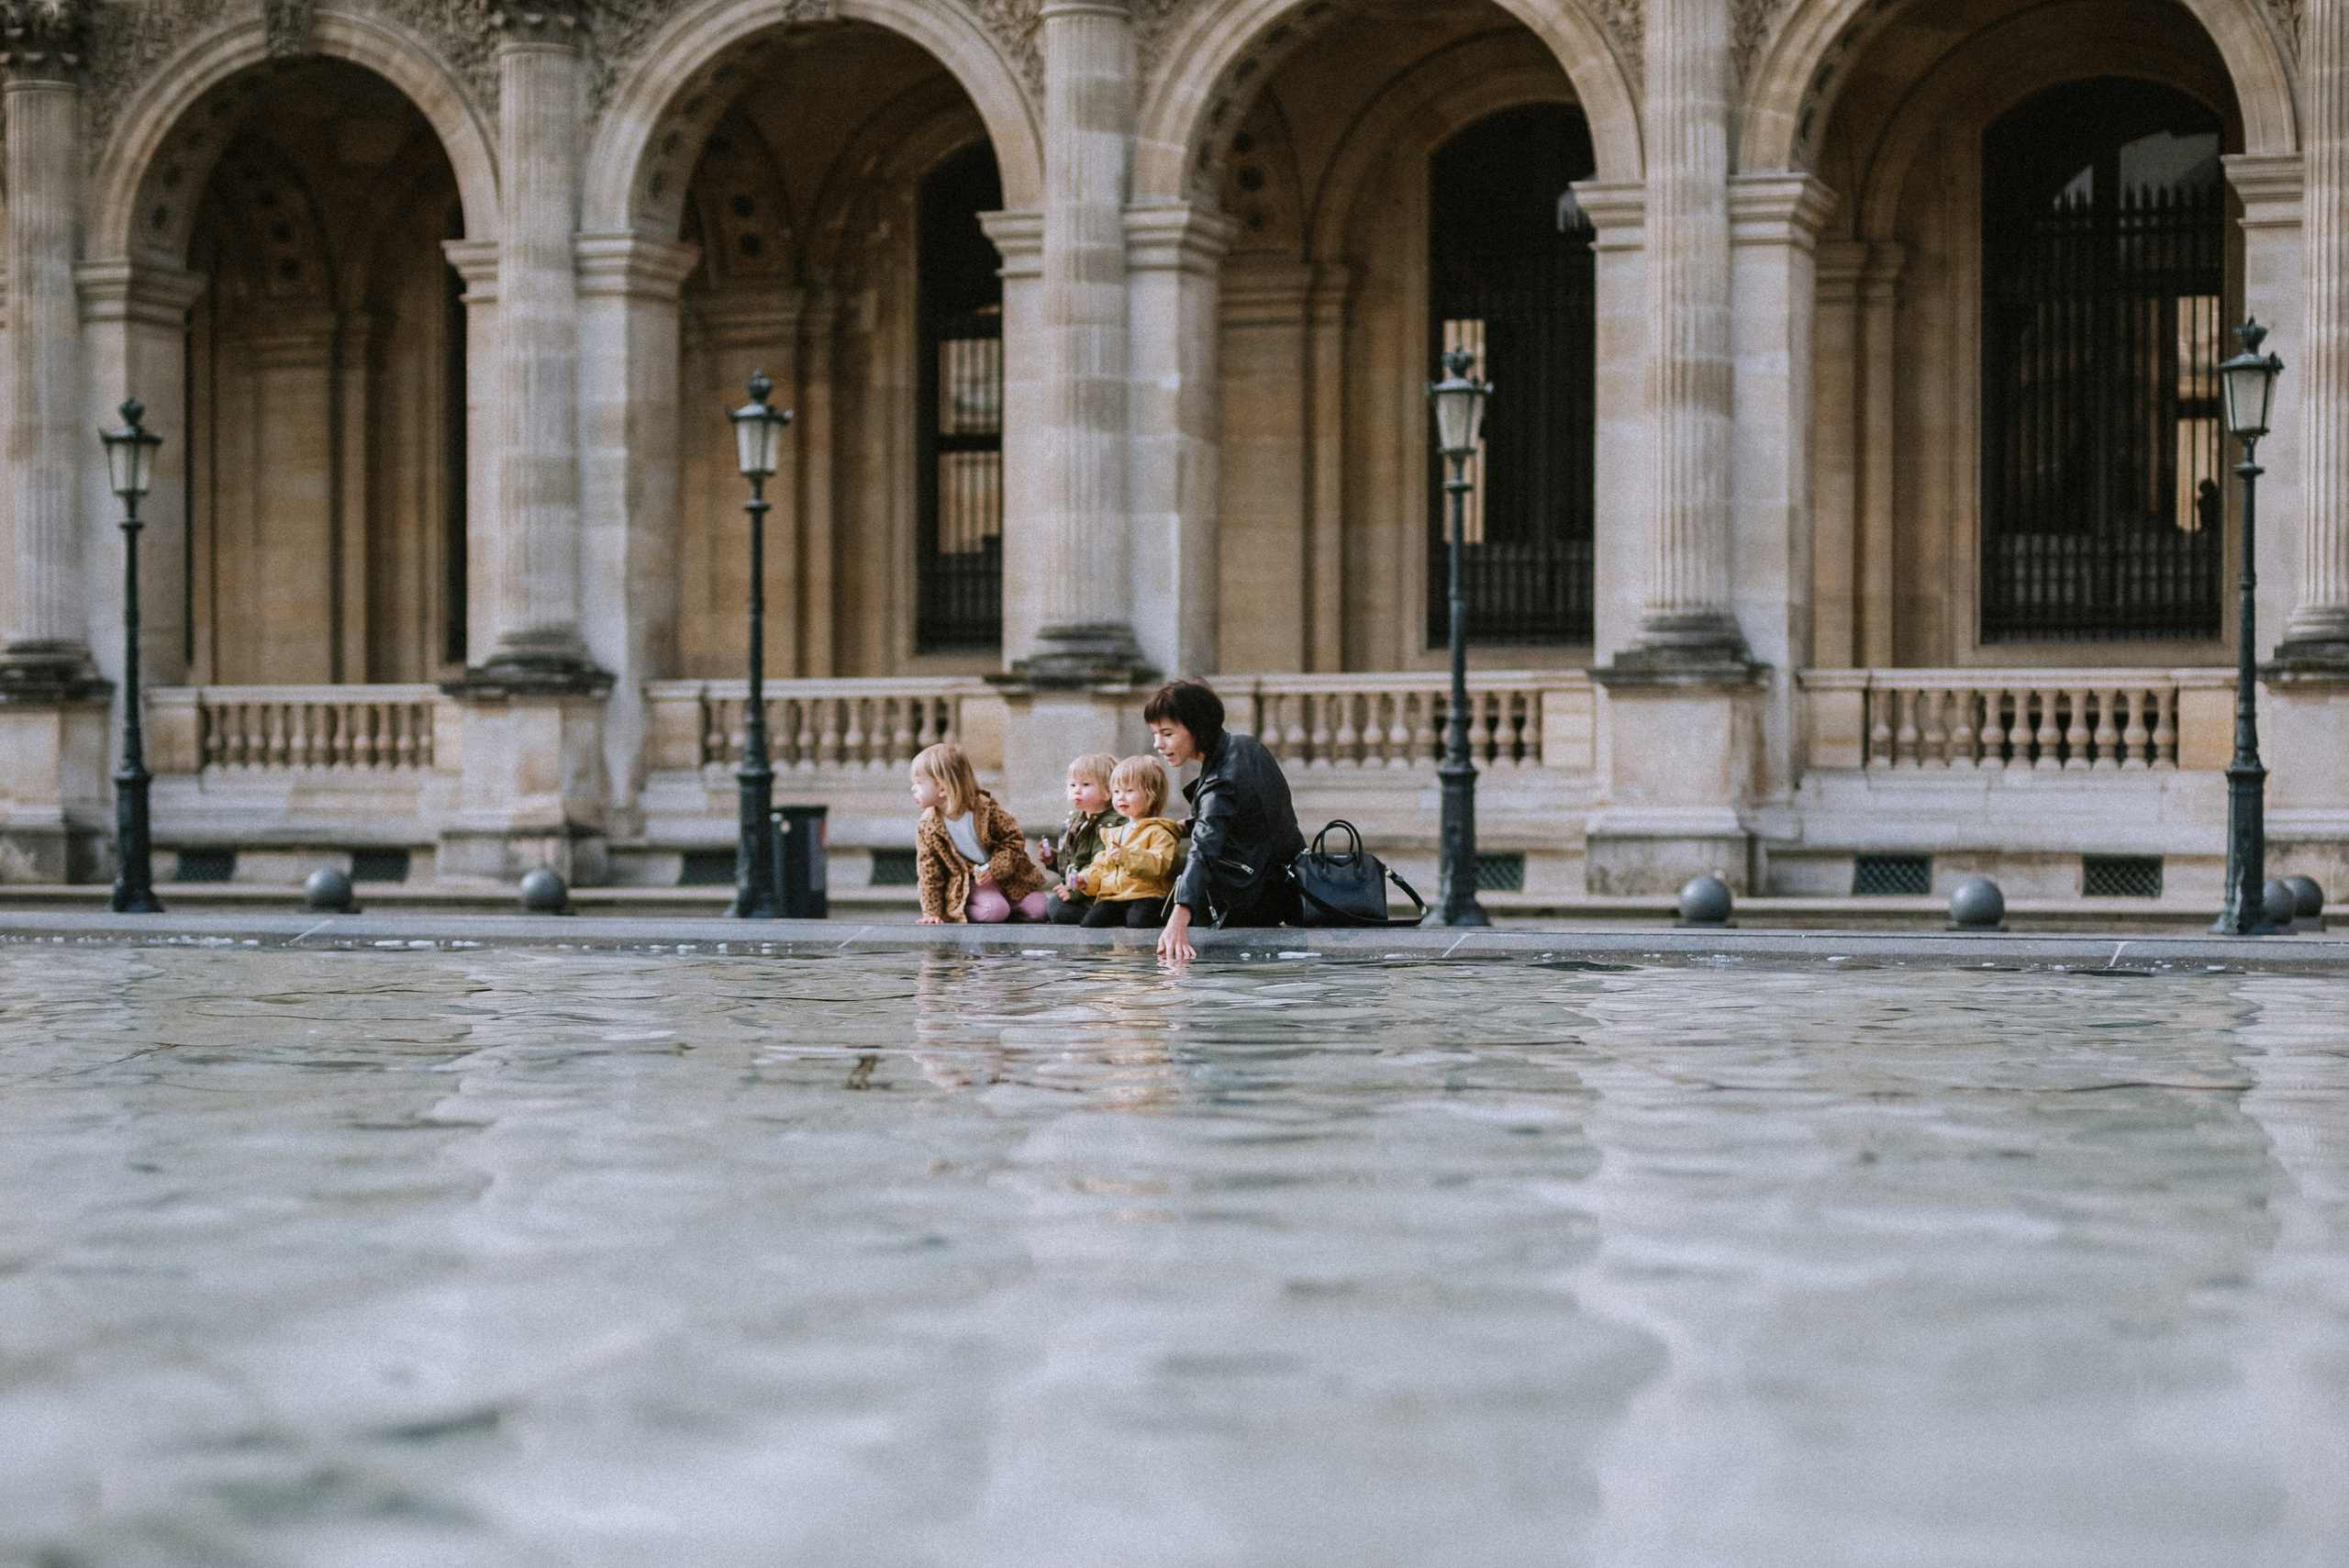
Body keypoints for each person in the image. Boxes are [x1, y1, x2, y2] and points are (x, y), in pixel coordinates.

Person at [1147, 679, 1305, 962]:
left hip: (1248, 902)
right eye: (1156, 733)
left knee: (1153, 880)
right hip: (1286, 888)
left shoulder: (1220, 784)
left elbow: (1204, 852)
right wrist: (1172, 828)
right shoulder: (1246, 746)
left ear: (1197, 727)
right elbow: (1241, 823)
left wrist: (1178, 921)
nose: (1158, 744)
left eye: (1167, 733)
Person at [908, 742, 1050, 925]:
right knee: (994, 910)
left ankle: (1005, 909)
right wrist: (932, 913)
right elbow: (929, 872)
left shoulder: (985, 809)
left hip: (1005, 878)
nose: (914, 788)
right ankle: (959, 911)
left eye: (919, 783)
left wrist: (995, 868)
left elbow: (1013, 839)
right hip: (969, 883)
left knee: (1040, 909)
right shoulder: (928, 826)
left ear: (943, 789)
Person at [1074, 755, 1182, 929]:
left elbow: (1161, 864)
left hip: (1147, 895)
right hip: (1116, 897)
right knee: (1091, 923)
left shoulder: (1159, 831)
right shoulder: (1115, 833)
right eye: (1116, 792)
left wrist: (1126, 855)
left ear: (1151, 794)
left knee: (1139, 921)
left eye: (1129, 791)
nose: (1121, 798)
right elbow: (1102, 866)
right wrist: (1086, 879)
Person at [1038, 752, 1120, 926]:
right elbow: (1077, 860)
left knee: (1056, 907)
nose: (1076, 790)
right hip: (1082, 891)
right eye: (1072, 785)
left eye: (1086, 784)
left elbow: (1103, 867)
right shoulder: (1078, 818)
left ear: (1108, 790)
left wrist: (1075, 891)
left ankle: (1104, 918)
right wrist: (1054, 860)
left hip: (1097, 896)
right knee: (1052, 906)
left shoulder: (1112, 823)